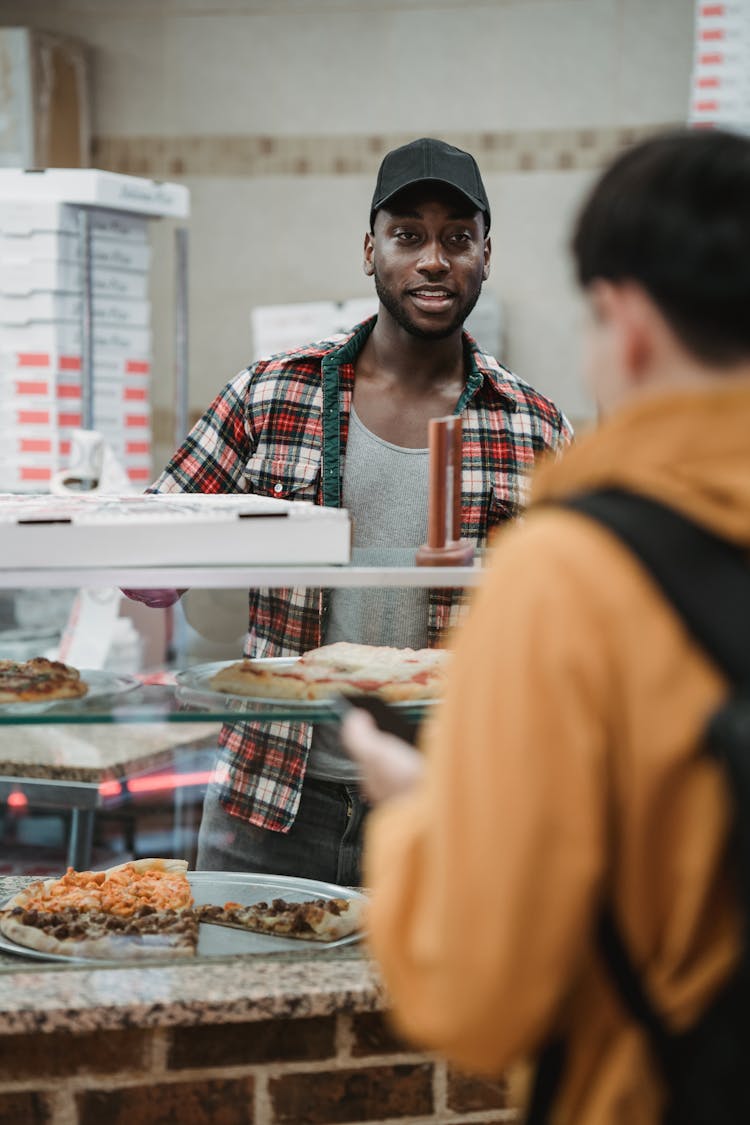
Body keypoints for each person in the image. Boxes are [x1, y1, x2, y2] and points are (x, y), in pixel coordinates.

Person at [341, 127, 750, 1122]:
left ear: (627, 320)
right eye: (410, 234)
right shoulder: (272, 392)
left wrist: (417, 815)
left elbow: (478, 993)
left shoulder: (573, 568)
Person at [127, 137, 572, 884]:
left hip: (448, 808)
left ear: (485, 256)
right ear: (371, 250)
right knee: (256, 999)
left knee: (421, 1006)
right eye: (408, 235)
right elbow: (151, 540)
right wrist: (157, 564)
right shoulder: (272, 394)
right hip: (270, 802)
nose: (434, 259)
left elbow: (563, 622)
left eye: (457, 238)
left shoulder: (533, 425)